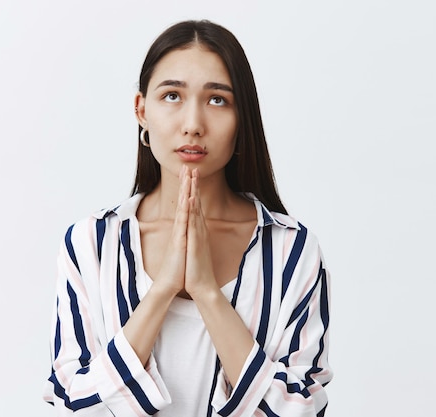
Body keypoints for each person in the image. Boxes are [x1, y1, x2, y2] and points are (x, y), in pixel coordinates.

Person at [43, 20, 332, 416]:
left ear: (240, 118)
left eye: (217, 100)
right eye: (172, 96)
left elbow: (298, 410)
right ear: (141, 110)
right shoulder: (91, 244)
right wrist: (162, 290)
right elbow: (73, 405)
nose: (193, 124)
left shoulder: (291, 251)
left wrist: (207, 292)